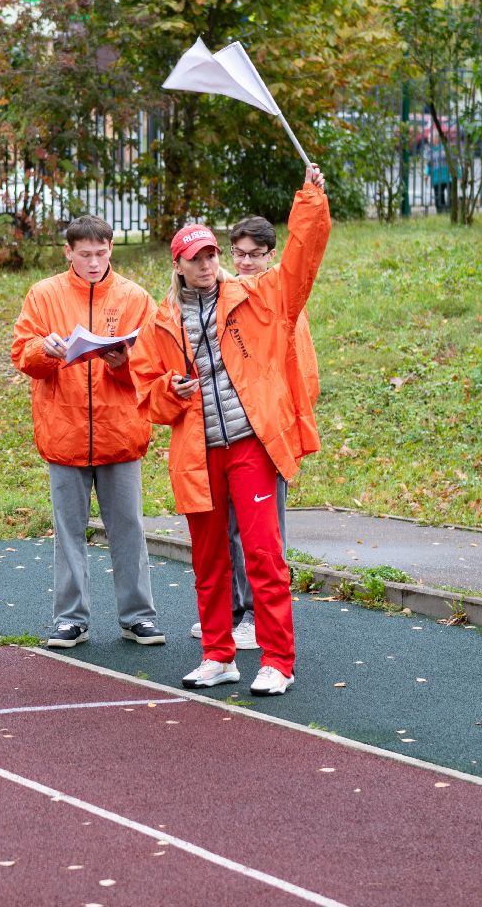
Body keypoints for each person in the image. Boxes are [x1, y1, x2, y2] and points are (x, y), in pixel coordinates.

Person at [134, 165, 330, 695]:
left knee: (264, 554)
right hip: (198, 454)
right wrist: (167, 393)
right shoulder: (161, 320)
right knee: (209, 559)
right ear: (177, 264)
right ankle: (219, 655)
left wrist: (309, 201)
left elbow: (301, 263)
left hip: (250, 444)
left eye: (212, 255)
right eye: (196, 258)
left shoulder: (255, 296)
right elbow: (145, 394)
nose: (208, 264)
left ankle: (278, 661)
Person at [11, 215, 164, 650]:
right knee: (69, 532)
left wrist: (123, 364)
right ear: (68, 253)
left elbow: (154, 364)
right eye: (85, 255)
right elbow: (22, 353)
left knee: (129, 528)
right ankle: (70, 619)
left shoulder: (136, 297)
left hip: (121, 432)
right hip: (64, 431)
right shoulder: (44, 295)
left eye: (101, 253)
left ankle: (138, 617)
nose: (94, 262)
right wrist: (48, 350)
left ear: (111, 249)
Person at [188, 216, 321, 649]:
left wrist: (282, 421)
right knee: (225, 529)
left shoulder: (279, 299)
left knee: (260, 534)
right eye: (239, 254)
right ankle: (231, 613)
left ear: (270, 254)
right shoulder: (221, 295)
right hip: (223, 429)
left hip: (264, 429)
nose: (245, 262)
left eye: (255, 255)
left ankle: (255, 618)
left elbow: (298, 372)